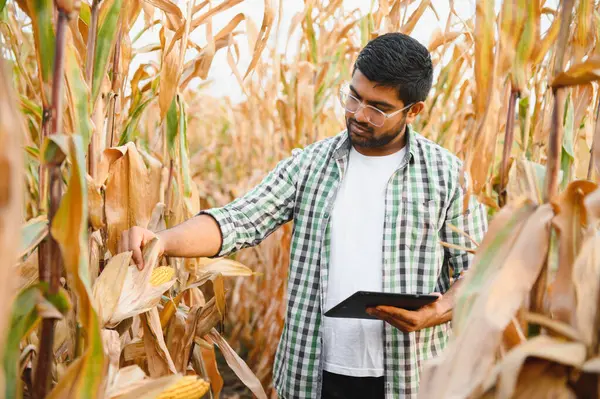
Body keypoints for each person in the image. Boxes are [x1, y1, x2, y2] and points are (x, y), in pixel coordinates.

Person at [120, 33, 488, 399]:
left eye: (377, 108)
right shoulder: (311, 164)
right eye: (353, 97)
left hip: (412, 378)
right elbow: (239, 219)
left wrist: (436, 311)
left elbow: (478, 270)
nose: (358, 114)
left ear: (414, 110)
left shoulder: (447, 175)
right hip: (312, 373)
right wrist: (162, 240)